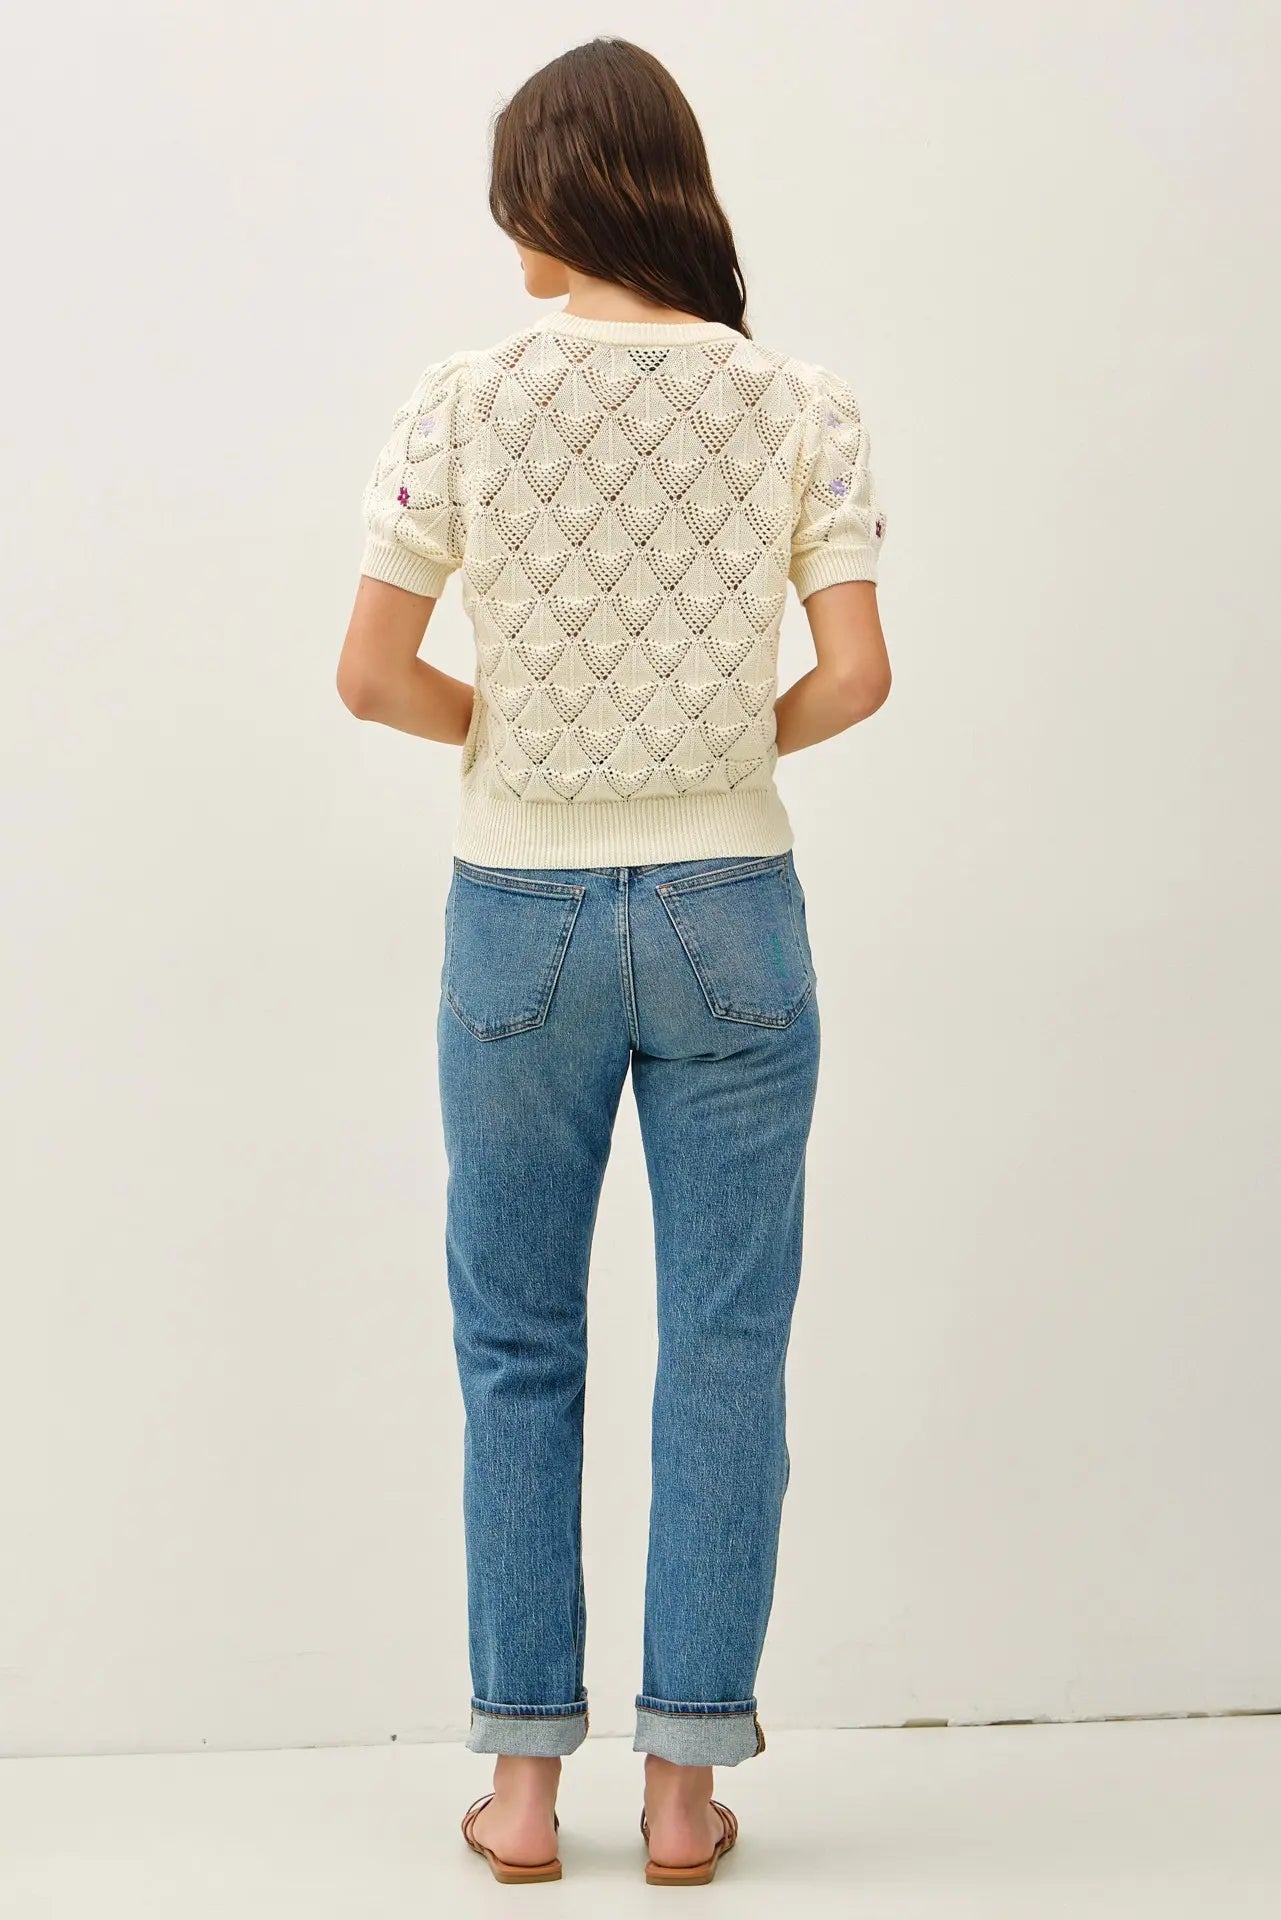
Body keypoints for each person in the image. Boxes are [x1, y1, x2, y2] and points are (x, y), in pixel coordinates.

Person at [336, 34, 891, 1887]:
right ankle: (680, 1792)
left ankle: (517, 1794)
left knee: (517, 1344)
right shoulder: (797, 402)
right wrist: (710, 748)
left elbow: (370, 676)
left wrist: (519, 736)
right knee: (726, 1347)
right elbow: (855, 675)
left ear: (551, 192)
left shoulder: (464, 401)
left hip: (521, 915)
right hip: (733, 907)